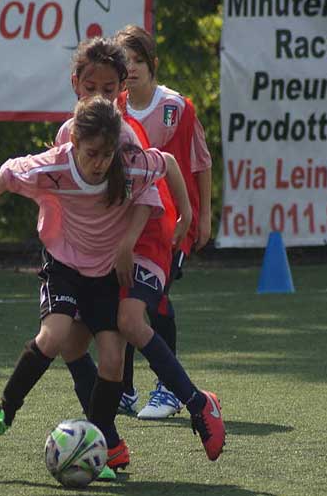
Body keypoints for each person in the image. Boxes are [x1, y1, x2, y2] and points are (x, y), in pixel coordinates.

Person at [0, 95, 172, 474]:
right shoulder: (56, 165)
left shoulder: (128, 163)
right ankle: (2, 415)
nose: (100, 163)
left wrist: (184, 214)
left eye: (107, 154)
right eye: (92, 154)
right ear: (74, 141)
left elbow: (166, 164)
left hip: (106, 274)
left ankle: (98, 444)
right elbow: (9, 171)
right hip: (64, 266)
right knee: (54, 336)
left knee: (113, 359)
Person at [52, 37, 226, 474]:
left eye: (108, 89)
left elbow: (165, 166)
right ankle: (108, 440)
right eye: (90, 87)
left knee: (130, 322)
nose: (98, 97)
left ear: (122, 90)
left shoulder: (122, 132)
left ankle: (196, 403)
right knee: (73, 342)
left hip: (145, 236)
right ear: (75, 85)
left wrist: (189, 213)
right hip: (108, 246)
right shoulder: (73, 131)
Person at [114, 24, 214, 419]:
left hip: (173, 224)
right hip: (130, 223)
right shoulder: (113, 109)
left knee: (155, 300)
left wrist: (202, 217)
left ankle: (169, 389)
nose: (131, 68)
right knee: (119, 298)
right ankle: (122, 388)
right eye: (125, 61)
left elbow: (200, 161)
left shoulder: (177, 107)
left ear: (152, 64)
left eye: (138, 61)